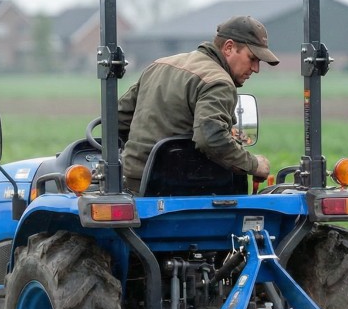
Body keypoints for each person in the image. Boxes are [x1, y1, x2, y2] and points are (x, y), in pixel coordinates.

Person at [117, 16, 279, 193]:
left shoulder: (160, 65)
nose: (256, 69)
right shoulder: (218, 81)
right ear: (229, 47)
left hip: (133, 185)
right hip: (183, 190)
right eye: (252, 58)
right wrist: (254, 165)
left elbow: (118, 119)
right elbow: (211, 138)